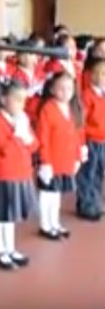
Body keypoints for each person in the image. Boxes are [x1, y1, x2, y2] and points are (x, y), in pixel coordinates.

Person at [0, 80, 38, 270]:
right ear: (4, 99)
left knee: (11, 215)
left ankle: (10, 248)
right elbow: (4, 149)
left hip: (21, 173)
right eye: (17, 99)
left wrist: (25, 134)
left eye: (24, 100)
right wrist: (17, 133)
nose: (22, 104)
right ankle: (0, 250)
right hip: (4, 174)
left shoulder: (21, 120)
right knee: (0, 214)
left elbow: (34, 146)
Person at [36, 72, 86, 240]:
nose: (65, 92)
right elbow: (43, 137)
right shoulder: (48, 109)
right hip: (51, 160)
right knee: (47, 194)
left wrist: (78, 156)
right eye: (61, 88)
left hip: (65, 159)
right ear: (52, 89)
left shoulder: (73, 109)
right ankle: (45, 225)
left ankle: (54, 222)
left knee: (56, 194)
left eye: (69, 89)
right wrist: (45, 161)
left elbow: (78, 134)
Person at [76, 59, 105, 221]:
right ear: (91, 75)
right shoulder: (87, 95)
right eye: (98, 73)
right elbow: (82, 121)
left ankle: (95, 201)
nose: (102, 77)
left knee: (99, 173)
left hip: (103, 141)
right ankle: (85, 204)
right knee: (88, 173)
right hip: (91, 141)